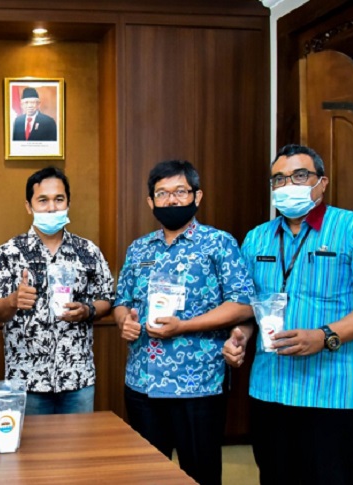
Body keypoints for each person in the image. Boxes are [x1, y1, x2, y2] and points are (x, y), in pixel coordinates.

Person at [222, 144, 353, 485]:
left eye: (299, 175)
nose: (287, 184)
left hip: (331, 395)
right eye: (279, 178)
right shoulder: (256, 239)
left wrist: (324, 336)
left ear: (322, 182)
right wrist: (241, 336)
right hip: (269, 392)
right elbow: (250, 308)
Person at [113, 160, 254, 485]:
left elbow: (243, 304)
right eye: (162, 193)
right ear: (151, 202)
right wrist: (124, 322)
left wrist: (184, 327)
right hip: (142, 383)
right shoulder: (139, 248)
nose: (172, 200)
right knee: (146, 475)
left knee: (200, 473)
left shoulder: (219, 243)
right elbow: (122, 302)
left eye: (180, 191)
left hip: (198, 384)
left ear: (197, 196)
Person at [0, 167, 114, 415]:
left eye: (59, 199)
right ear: (29, 206)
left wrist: (87, 310)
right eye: (43, 200)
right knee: (29, 443)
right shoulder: (8, 253)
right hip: (27, 379)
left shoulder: (88, 251)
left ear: (68, 203)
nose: (52, 208)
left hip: (77, 377)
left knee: (79, 442)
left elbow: (107, 298)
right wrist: (13, 301)